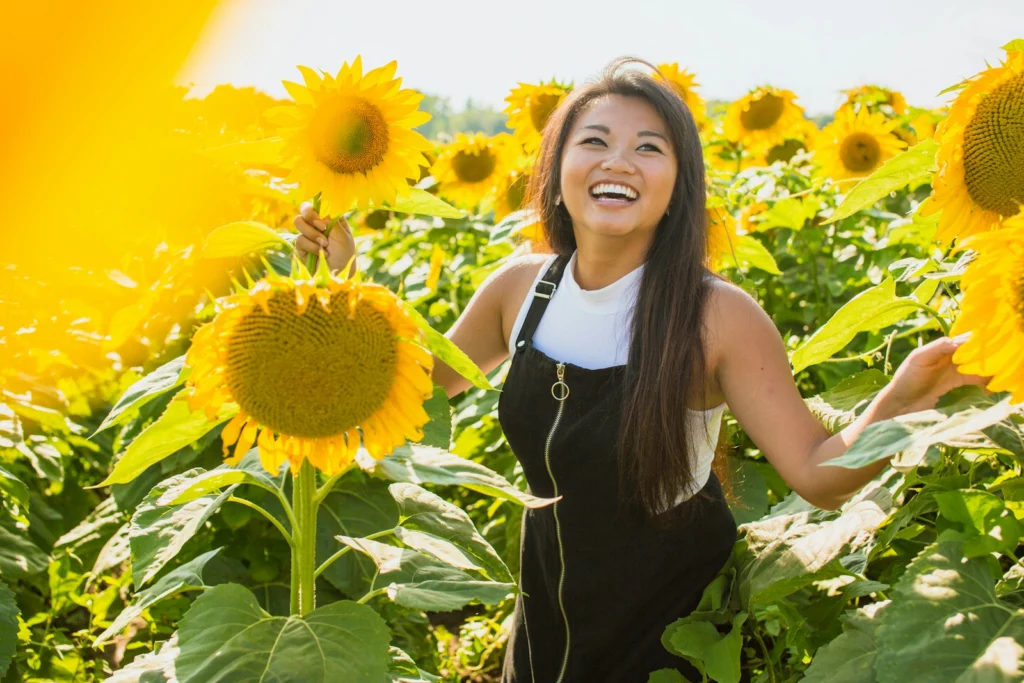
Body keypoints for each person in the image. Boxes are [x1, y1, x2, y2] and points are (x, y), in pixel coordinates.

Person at [293, 57, 988, 683]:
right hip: (541, 631)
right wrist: (344, 281)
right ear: (556, 172)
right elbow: (408, 390)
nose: (617, 161)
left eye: (648, 148)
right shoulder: (519, 290)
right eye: (593, 141)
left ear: (677, 188)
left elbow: (814, 469)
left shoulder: (715, 315)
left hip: (668, 641)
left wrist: (902, 399)